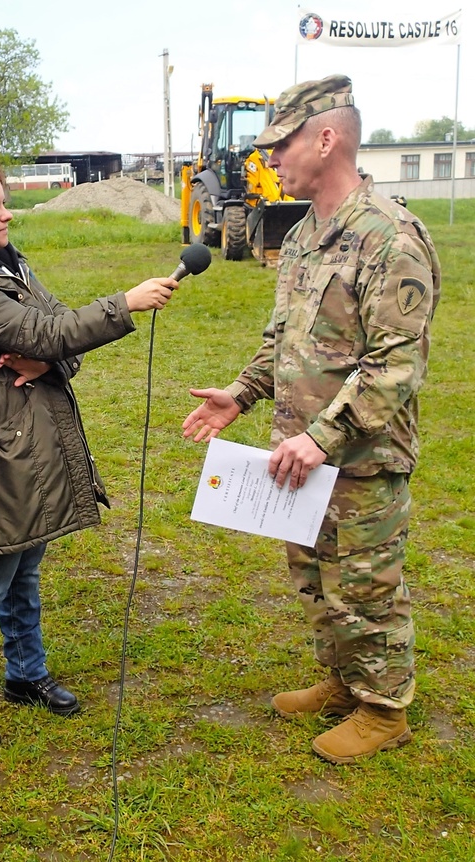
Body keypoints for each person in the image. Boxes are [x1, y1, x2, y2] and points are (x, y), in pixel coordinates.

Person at [182, 75, 440, 764]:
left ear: (326, 140)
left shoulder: (390, 236)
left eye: (282, 144)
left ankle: (384, 709)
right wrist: (241, 394)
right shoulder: (301, 236)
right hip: (300, 452)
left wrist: (323, 437)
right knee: (317, 575)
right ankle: (345, 679)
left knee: (365, 583)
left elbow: (395, 365)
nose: (270, 158)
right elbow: (287, 340)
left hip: (360, 457)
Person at [0, 155, 177, 750]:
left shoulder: (6, 264)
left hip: (20, 444)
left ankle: (24, 673)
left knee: (25, 563)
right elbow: (47, 332)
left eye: (5, 203)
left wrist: (50, 362)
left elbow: (58, 330)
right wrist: (125, 303)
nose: (8, 215)